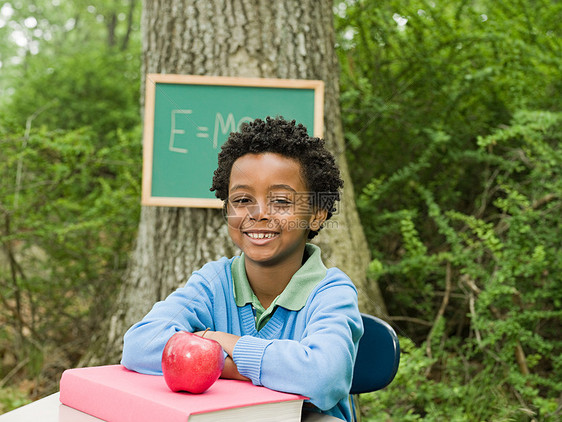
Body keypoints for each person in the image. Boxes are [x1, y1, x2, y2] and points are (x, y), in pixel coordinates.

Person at [121, 116, 364, 421]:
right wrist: (248, 366)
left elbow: (321, 378)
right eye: (243, 199)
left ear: (316, 214)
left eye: (280, 200)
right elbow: (140, 344)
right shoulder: (214, 282)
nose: (258, 214)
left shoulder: (331, 292)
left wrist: (218, 340)